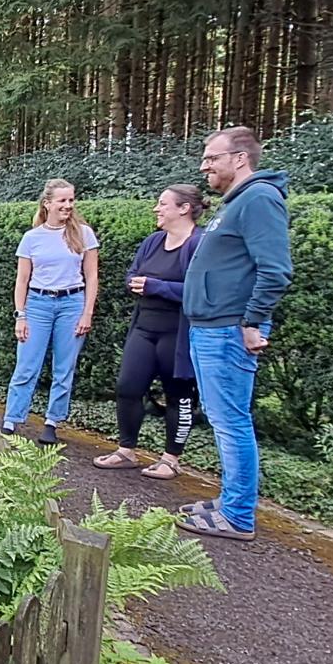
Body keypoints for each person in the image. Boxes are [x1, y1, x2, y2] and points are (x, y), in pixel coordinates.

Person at [175, 127, 292, 542]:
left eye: (212, 158)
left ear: (239, 158)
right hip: (212, 327)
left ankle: (239, 515)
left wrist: (252, 321)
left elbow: (275, 270)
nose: (205, 165)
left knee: (231, 422)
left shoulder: (259, 199)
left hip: (228, 330)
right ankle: (229, 502)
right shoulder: (237, 203)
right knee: (225, 419)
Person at [92, 184, 206, 479]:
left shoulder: (200, 244)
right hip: (144, 328)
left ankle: (170, 459)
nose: (157, 209)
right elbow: (133, 273)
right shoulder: (153, 241)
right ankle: (126, 451)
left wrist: (157, 287)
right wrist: (135, 282)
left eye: (162, 204)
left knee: (178, 394)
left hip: (177, 333)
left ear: (184, 209)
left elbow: (203, 290)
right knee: (128, 387)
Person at [5, 179, 100, 445]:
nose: (68, 205)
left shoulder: (83, 233)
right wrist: (20, 315)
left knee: (64, 368)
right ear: (47, 203)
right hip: (38, 304)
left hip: (72, 304)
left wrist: (87, 313)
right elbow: (22, 280)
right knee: (26, 365)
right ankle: (12, 420)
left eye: (71, 200)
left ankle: (52, 422)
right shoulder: (31, 238)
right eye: (62, 200)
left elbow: (92, 277)